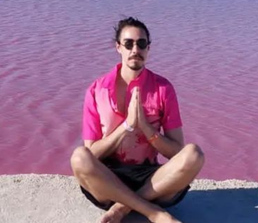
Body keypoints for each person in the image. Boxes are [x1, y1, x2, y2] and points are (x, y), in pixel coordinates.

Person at [71, 17, 205, 223]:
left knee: (194, 154)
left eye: (141, 43)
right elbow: (92, 155)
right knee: (79, 157)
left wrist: (145, 128)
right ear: (118, 47)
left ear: (148, 48)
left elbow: (177, 152)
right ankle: (153, 212)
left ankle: (121, 208)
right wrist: (126, 127)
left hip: (151, 179)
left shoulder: (163, 88)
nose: (135, 49)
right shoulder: (96, 90)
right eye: (128, 43)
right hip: (108, 179)